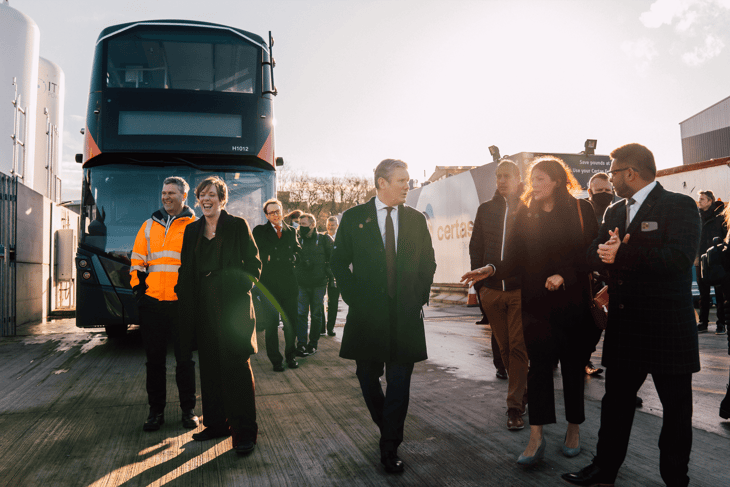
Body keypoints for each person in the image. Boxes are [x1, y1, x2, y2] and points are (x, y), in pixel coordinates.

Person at [562, 143, 701, 487]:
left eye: (612, 172)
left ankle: (675, 477)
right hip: (626, 326)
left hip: (668, 326)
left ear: (631, 173)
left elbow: (678, 259)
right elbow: (595, 252)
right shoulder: (613, 210)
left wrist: (622, 254)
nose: (610, 178)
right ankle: (603, 470)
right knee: (615, 405)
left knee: (677, 410)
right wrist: (603, 256)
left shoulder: (679, 206)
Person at [462, 156, 598, 465]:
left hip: (572, 303)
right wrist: (491, 268)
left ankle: (573, 429)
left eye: (539, 180)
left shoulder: (581, 209)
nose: (533, 185)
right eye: (532, 179)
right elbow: (514, 258)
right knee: (538, 369)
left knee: (573, 368)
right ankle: (536, 436)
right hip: (536, 303)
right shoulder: (527, 215)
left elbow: (591, 253)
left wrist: (564, 274)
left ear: (557, 182)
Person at [331, 159, 436, 474]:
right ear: (381, 183)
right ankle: (387, 423)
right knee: (367, 377)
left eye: (409, 180)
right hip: (367, 315)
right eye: (402, 180)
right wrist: (354, 298)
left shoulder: (416, 220)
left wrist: (417, 298)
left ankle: (389, 446)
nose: (408, 185)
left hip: (405, 315)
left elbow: (427, 263)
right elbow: (338, 263)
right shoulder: (353, 218)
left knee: (400, 382)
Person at [175, 176, 262, 455]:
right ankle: (216, 425)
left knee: (236, 368)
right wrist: (183, 295)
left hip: (233, 307)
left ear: (222, 199)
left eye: (211, 194)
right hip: (202, 308)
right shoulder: (192, 230)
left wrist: (238, 288)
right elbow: (185, 268)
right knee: (210, 368)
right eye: (202, 195)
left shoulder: (237, 226)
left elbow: (253, 264)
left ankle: (244, 433)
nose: (206, 199)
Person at [130, 176, 198, 432]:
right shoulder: (148, 226)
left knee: (185, 361)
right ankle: (155, 412)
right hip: (153, 303)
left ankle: (188, 411)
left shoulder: (194, 225)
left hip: (182, 304)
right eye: (163, 193)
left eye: (171, 192)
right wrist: (139, 291)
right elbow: (137, 260)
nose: (166, 197)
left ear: (183, 196)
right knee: (154, 361)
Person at [468, 159, 528, 430]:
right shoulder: (485, 209)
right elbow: (475, 248)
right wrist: (481, 289)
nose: (502, 181)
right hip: (491, 292)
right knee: (504, 348)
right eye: (498, 176)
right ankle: (522, 389)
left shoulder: (528, 208)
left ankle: (514, 407)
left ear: (518, 178)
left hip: (519, 291)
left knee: (517, 346)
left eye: (507, 176)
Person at [252, 199, 301, 371]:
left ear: (282, 211)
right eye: (271, 212)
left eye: (277, 211)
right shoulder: (259, 231)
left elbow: (297, 250)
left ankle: (291, 356)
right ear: (266, 215)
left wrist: (297, 259)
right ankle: (276, 360)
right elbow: (256, 253)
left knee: (290, 324)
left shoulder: (291, 231)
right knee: (272, 325)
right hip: (269, 286)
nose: (275, 214)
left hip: (289, 285)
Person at [583, 172, 615, 376]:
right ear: (590, 192)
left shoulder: (618, 212)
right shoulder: (582, 213)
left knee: (609, 326)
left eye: (607, 190)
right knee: (590, 324)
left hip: (610, 278)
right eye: (599, 190)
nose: (604, 194)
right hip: (587, 277)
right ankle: (583, 359)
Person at [295, 213, 333, 356]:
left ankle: (313, 344)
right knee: (301, 314)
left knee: (316, 314)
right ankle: (301, 344)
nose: (301, 227)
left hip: (319, 283)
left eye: (304, 224)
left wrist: (328, 274)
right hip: (301, 283)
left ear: (312, 225)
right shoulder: (297, 239)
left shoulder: (324, 239)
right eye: (300, 224)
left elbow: (333, 259)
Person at [696, 190, 726, 334]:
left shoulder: (720, 217)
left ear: (709, 201)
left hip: (718, 259)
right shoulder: (697, 217)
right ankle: (703, 323)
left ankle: (721, 323)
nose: (699, 201)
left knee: (720, 293)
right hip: (701, 260)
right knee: (703, 293)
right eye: (699, 199)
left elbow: (726, 237)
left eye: (702, 199)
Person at [322, 216, 340, 337]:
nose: (330, 227)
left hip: (335, 275)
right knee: (320, 302)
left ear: (337, 226)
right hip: (322, 274)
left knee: (333, 303)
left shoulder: (341, 239)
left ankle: (330, 328)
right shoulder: (321, 238)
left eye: (332, 225)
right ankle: (321, 328)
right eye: (328, 224)